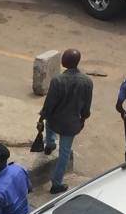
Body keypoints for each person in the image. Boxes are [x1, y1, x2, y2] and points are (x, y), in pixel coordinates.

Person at [38, 49, 93, 194]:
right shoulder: (87, 82)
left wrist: (42, 117)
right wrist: (83, 120)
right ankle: (56, 183)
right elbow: (86, 107)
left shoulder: (57, 80)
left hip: (55, 120)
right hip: (71, 124)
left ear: (65, 62)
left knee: (49, 125)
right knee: (64, 153)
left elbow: (49, 104)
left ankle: (49, 144)